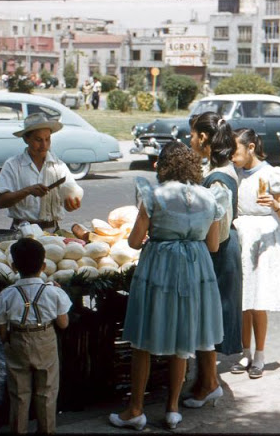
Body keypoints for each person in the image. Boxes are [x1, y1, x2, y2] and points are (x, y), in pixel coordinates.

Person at [109, 141, 227, 431]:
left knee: (142, 339)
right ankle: (172, 409)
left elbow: (134, 242)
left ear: (163, 166)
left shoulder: (154, 195)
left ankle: (135, 409)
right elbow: (213, 245)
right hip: (196, 267)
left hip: (160, 267)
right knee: (183, 340)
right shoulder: (210, 197)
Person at [185, 112, 242, 407]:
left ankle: (209, 384)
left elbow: (216, 230)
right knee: (204, 319)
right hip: (216, 249)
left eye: (193, 135)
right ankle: (207, 380)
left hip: (217, 253)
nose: (190, 139)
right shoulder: (216, 169)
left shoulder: (219, 179)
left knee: (206, 320)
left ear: (204, 138)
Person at [230, 128, 280, 379]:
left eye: (236, 151)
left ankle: (260, 355)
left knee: (258, 301)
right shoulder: (234, 174)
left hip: (263, 239)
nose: (233, 156)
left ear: (250, 148)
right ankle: (244, 352)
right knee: (243, 300)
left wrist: (276, 205)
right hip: (242, 236)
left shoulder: (271, 175)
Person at [0, 238, 72, 433]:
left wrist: (7, 342)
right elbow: (63, 323)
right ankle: (47, 431)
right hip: (45, 340)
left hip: (17, 339)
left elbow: (1, 327)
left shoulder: (7, 294)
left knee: (19, 393)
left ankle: (19, 431)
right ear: (44, 266)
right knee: (47, 391)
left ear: (13, 266)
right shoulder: (54, 292)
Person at [0, 113, 83, 232]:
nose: (44, 145)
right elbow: (1, 202)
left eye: (47, 139)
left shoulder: (59, 166)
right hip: (22, 232)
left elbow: (67, 200)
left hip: (52, 232)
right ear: (26, 139)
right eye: (38, 140)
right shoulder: (13, 165)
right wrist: (28, 190)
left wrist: (71, 205)